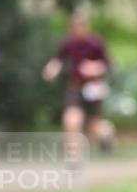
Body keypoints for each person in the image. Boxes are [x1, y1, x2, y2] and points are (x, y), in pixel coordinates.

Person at [42, 11, 114, 156]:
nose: (79, 29)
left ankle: (107, 134)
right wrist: (51, 69)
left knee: (94, 126)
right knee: (71, 120)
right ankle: (74, 159)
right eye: (76, 26)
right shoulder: (68, 43)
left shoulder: (96, 43)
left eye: (82, 25)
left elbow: (108, 65)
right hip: (75, 87)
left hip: (93, 89)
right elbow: (58, 60)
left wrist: (94, 68)